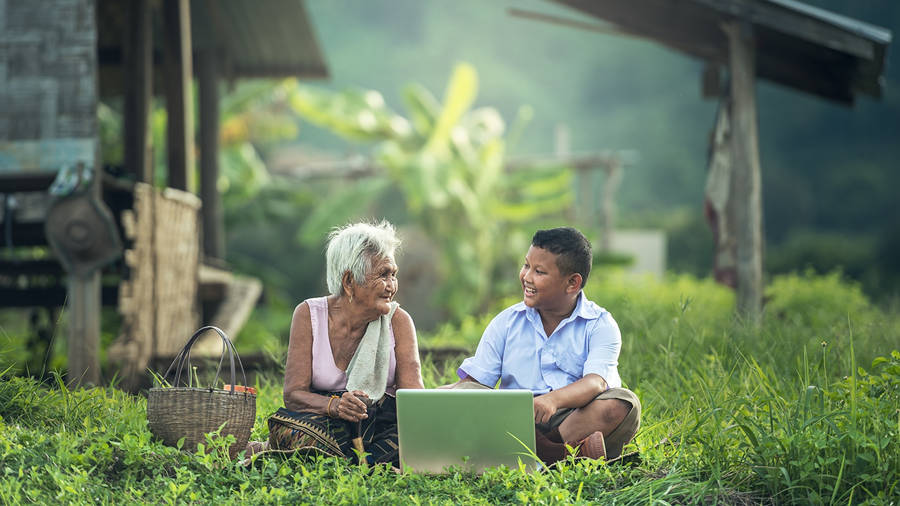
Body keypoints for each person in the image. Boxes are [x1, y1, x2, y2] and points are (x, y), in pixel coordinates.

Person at [443, 227, 640, 464]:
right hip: (512, 418)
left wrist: (552, 400)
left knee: (623, 404)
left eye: (539, 271)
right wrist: (433, 397)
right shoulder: (506, 322)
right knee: (465, 394)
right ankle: (558, 455)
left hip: (572, 419)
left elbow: (596, 382)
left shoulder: (599, 324)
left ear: (572, 283)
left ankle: (528, 453)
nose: (526, 277)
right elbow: (475, 383)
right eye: (526, 266)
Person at [263, 221, 424, 467]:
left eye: (394, 275)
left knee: (412, 443)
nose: (392, 286)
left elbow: (414, 402)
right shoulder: (308, 315)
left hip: (382, 427)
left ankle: (352, 461)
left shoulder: (399, 322)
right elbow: (294, 395)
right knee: (298, 433)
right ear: (349, 281)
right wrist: (335, 405)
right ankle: (366, 463)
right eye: (383, 275)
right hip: (326, 424)